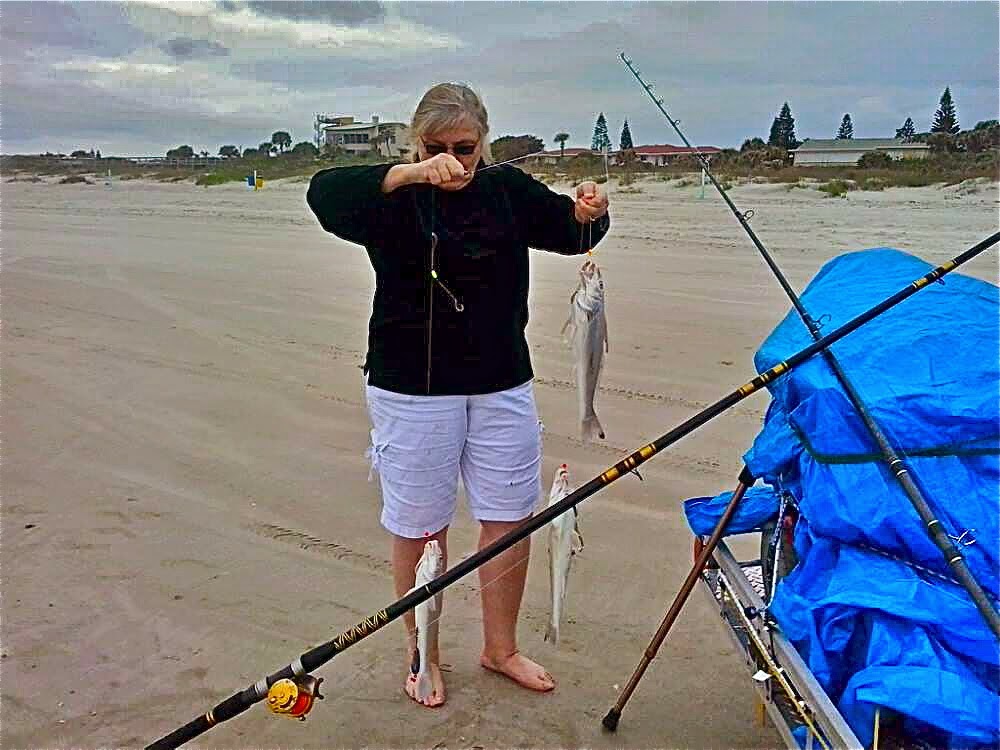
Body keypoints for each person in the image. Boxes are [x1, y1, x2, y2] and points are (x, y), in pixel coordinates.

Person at [306, 82, 610, 708]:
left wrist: (589, 212)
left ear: (484, 141)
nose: (452, 159)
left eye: (465, 147)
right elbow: (323, 194)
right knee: (421, 526)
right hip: (410, 387)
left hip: (501, 381)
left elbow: (571, 233)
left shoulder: (506, 190)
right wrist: (408, 174)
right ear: (415, 143)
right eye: (436, 146)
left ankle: (500, 648)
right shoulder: (389, 197)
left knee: (510, 517)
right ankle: (422, 654)